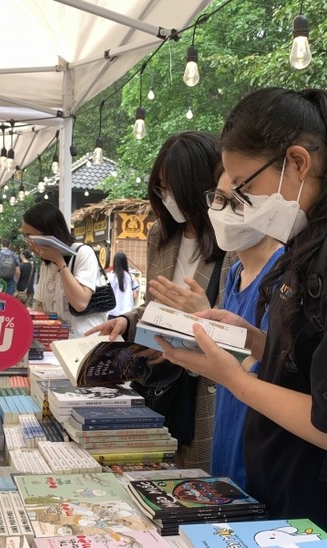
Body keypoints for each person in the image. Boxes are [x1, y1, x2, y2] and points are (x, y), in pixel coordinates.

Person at [154, 87, 327, 542]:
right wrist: (255, 342)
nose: (239, 206)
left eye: (244, 187)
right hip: (291, 507)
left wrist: (235, 378)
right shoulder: (326, 235)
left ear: (298, 163)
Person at [87, 131, 234, 473]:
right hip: (161, 383)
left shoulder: (232, 241)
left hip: (207, 389)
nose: (167, 198)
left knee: (201, 480)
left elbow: (237, 327)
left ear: (200, 186)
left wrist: (194, 321)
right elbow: (157, 304)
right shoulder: (161, 235)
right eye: (160, 189)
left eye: (174, 188)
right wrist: (128, 321)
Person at [205, 169, 284, 489]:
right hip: (224, 438)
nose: (224, 212)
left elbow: (273, 371)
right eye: (219, 200)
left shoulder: (283, 274)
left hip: (258, 451)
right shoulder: (234, 272)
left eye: (237, 203)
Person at [21, 203, 107, 338]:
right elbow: (41, 307)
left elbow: (80, 303)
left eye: (29, 236)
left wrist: (60, 262)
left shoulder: (82, 253)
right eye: (25, 236)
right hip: (56, 345)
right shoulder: (46, 263)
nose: (27, 242)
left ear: (48, 233)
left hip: (83, 343)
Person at [107, 252, 139, 317]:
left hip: (113, 312)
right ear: (125, 262)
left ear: (115, 262)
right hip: (127, 314)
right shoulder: (131, 277)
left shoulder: (109, 277)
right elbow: (135, 295)